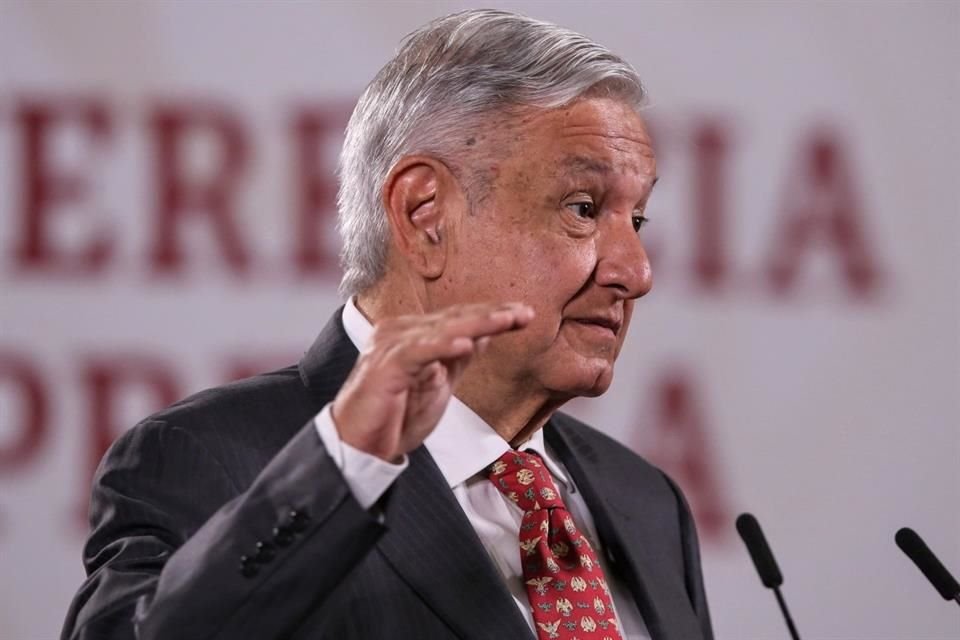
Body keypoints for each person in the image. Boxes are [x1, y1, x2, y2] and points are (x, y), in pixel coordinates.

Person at [61, 9, 713, 640]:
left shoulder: (645, 501)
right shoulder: (212, 461)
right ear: (425, 214)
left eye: (638, 220)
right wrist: (347, 465)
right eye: (583, 207)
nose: (636, 271)